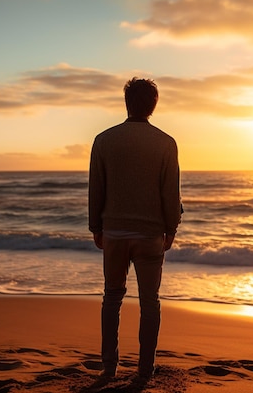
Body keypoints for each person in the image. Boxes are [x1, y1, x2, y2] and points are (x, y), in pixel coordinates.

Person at [88, 77, 182, 381]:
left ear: (126, 102)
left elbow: (96, 189)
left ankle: (108, 366)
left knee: (112, 297)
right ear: (153, 105)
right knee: (149, 302)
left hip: (114, 232)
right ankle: (143, 370)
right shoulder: (166, 143)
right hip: (150, 234)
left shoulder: (104, 140)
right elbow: (171, 193)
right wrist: (171, 228)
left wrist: (96, 227)